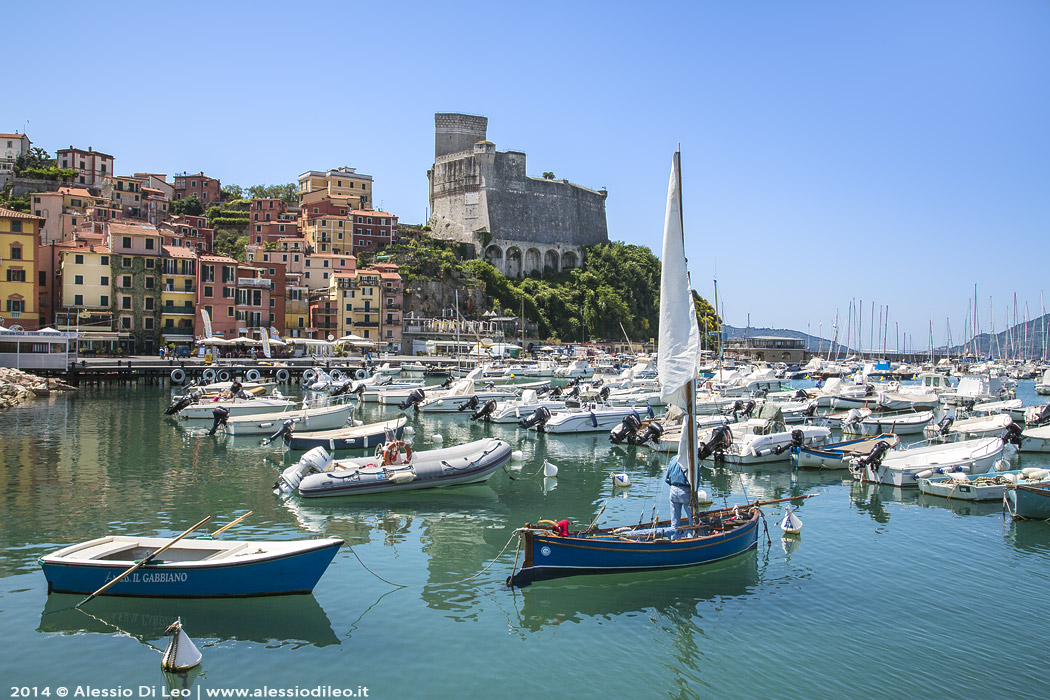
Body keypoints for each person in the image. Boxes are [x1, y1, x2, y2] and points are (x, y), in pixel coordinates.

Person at [664, 455, 692, 539]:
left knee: (674, 519)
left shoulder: (673, 459)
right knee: (692, 517)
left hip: (673, 489)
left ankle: (674, 538)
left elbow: (667, 478)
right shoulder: (691, 459)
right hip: (685, 489)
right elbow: (696, 480)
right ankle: (691, 537)